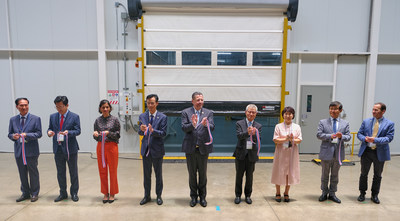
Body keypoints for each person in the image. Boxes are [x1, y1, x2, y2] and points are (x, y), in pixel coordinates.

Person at [181, 92, 215, 207]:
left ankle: (203, 197)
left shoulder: (208, 113)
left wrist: (206, 125)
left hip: (203, 149)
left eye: (202, 100)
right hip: (190, 149)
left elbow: (212, 127)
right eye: (198, 100)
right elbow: (184, 128)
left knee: (202, 174)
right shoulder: (186, 112)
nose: (200, 102)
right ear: (192, 101)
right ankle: (193, 197)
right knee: (192, 174)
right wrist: (193, 124)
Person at [357, 102, 394, 204]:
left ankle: (374, 195)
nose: (373, 111)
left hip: (380, 152)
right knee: (364, 174)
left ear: (383, 111)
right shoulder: (366, 121)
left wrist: (375, 140)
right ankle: (362, 193)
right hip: (366, 152)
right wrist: (364, 138)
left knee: (377, 175)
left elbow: (389, 138)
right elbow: (359, 134)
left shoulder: (389, 124)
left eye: (376, 110)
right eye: (373, 109)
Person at [8, 98, 42, 202]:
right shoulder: (13, 120)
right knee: (22, 173)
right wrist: (14, 136)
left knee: (33, 172)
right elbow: (9, 134)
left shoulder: (35, 119)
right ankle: (25, 193)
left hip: (31, 151)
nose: (24, 107)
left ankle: (34, 193)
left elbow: (39, 134)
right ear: (17, 107)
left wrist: (26, 135)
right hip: (19, 151)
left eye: (26, 105)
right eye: (21, 105)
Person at [47, 96, 81, 202]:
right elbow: (50, 128)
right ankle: (63, 193)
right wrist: (49, 132)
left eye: (61, 106)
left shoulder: (74, 116)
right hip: (58, 149)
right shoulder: (53, 117)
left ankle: (74, 193)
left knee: (73, 172)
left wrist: (68, 133)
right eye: (56, 107)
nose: (59, 109)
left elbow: (78, 131)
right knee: (60, 172)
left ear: (67, 105)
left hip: (70, 148)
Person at [316, 101, 351, 203]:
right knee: (324, 174)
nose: (332, 111)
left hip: (338, 153)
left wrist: (342, 136)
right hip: (326, 152)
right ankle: (324, 192)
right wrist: (330, 136)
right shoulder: (323, 122)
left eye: (335, 109)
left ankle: (332, 193)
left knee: (335, 175)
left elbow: (348, 137)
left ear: (340, 110)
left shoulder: (345, 123)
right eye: (331, 109)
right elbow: (319, 135)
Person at [138, 94, 167, 205]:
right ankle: (147, 196)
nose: (150, 105)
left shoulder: (163, 117)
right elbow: (140, 132)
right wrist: (141, 129)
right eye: (148, 103)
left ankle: (159, 196)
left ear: (157, 104)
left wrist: (153, 130)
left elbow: (163, 133)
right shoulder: (142, 116)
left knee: (158, 174)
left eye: (152, 103)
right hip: (146, 150)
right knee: (146, 175)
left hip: (157, 150)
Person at [271, 106, 302, 203]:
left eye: (290, 114)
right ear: (283, 115)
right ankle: (277, 192)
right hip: (281, 153)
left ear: (293, 115)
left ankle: (286, 193)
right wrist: (286, 138)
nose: (288, 116)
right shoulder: (278, 126)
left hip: (292, 153)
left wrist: (292, 139)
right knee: (278, 172)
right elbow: (275, 139)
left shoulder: (297, 127)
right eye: (286, 114)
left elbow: (299, 140)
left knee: (290, 172)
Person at [233, 104, 262, 204]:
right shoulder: (239, 123)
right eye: (249, 112)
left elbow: (259, 140)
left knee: (250, 177)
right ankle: (237, 195)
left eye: (253, 112)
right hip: (241, 154)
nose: (251, 114)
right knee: (239, 176)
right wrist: (247, 132)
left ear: (256, 114)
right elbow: (239, 136)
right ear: (246, 112)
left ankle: (248, 195)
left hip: (251, 155)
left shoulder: (258, 126)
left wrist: (254, 134)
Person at [93, 99, 121, 203]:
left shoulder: (115, 120)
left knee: (112, 170)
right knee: (102, 170)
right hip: (101, 147)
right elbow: (96, 135)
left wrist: (108, 133)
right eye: (103, 107)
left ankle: (112, 193)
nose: (105, 109)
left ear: (110, 108)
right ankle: (105, 193)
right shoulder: (97, 120)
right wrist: (95, 135)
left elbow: (118, 135)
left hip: (112, 147)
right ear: (100, 108)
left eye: (107, 107)